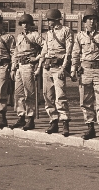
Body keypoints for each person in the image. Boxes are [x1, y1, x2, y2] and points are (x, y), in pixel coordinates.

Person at [71, 8, 99, 141]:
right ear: (85, 21)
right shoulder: (79, 36)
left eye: (94, 19)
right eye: (89, 19)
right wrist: (73, 69)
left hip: (98, 71)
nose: (92, 21)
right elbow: (75, 54)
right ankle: (90, 128)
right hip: (84, 71)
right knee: (85, 100)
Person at [36, 8, 74, 136]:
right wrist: (39, 67)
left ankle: (65, 123)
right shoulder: (49, 33)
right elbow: (44, 51)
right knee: (48, 96)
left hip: (58, 68)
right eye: (48, 20)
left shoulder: (66, 31)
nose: (49, 22)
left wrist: (64, 68)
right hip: (47, 68)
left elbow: (69, 51)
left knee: (60, 96)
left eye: (50, 20)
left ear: (57, 20)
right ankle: (53, 121)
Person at [9, 14, 44, 130]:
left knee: (29, 93)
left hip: (29, 66)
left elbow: (46, 47)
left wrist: (37, 58)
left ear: (31, 24)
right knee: (18, 93)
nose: (24, 25)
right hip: (19, 66)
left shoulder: (35, 35)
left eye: (27, 23)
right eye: (22, 23)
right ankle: (21, 117)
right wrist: (13, 67)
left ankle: (30, 118)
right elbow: (15, 52)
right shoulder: (19, 37)